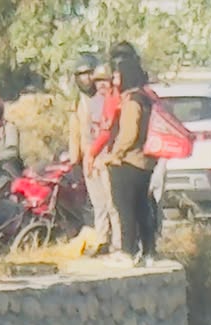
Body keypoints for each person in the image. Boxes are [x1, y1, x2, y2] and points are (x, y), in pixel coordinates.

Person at [94, 45, 157, 264]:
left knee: (125, 208)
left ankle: (127, 252)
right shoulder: (146, 98)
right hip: (145, 163)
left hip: (129, 162)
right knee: (142, 209)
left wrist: (113, 155)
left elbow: (129, 134)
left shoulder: (131, 101)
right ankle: (148, 251)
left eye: (117, 75)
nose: (114, 79)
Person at [70, 52, 115, 254]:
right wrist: (76, 160)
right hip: (88, 159)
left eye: (90, 74)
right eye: (81, 75)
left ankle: (117, 243)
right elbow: (78, 133)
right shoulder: (79, 101)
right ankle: (101, 239)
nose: (86, 79)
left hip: (105, 157)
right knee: (98, 204)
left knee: (111, 203)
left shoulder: (105, 99)